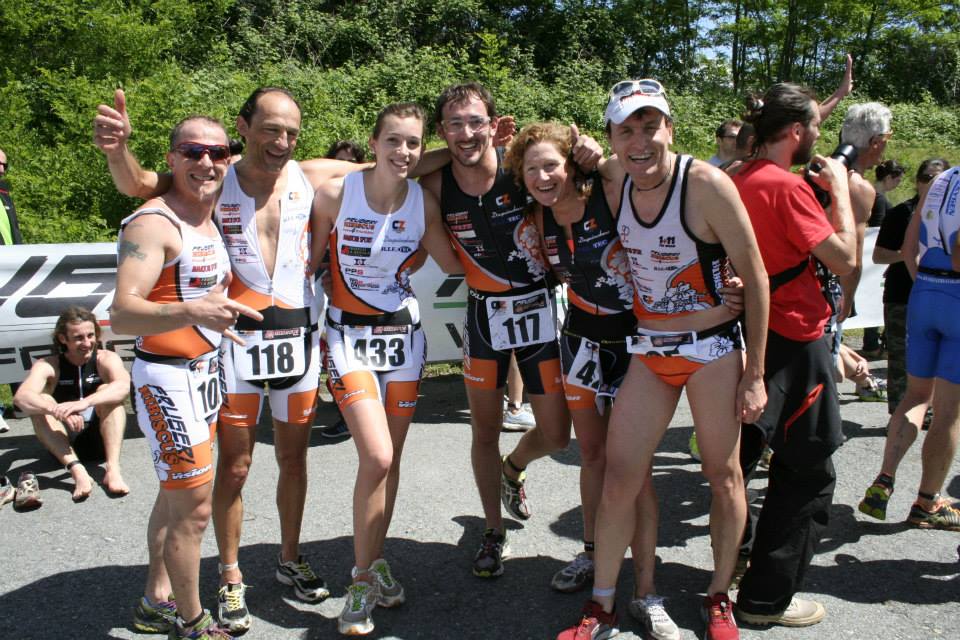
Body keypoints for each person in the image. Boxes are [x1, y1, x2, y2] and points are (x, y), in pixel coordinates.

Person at [94, 87, 371, 633]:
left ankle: (288, 558)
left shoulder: (308, 174)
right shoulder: (212, 181)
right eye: (270, 129)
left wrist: (476, 147)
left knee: (294, 460)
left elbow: (393, 162)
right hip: (235, 346)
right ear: (244, 128)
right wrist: (117, 150)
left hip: (295, 340)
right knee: (233, 468)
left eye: (291, 132)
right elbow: (139, 184)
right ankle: (229, 574)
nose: (281, 141)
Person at [559, 79, 770, 640]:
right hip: (650, 348)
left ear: (670, 130)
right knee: (619, 478)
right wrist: (582, 153)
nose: (640, 142)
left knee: (722, 475)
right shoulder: (614, 177)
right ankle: (603, 604)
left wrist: (754, 374)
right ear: (612, 138)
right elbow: (572, 169)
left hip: (712, 348)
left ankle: (719, 596)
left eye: (651, 127)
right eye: (626, 130)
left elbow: (756, 277)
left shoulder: (706, 184)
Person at [505, 121, 680, 639]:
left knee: (637, 471)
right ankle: (591, 552)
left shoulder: (607, 191)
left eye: (551, 165)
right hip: (580, 341)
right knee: (594, 456)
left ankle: (646, 590)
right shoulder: (537, 216)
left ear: (571, 164)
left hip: (634, 346)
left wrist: (598, 156)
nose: (543, 176)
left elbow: (636, 168)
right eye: (532, 168)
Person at [419, 82, 601, 578]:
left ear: (494, 124)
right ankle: (492, 531)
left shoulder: (518, 172)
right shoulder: (435, 183)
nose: (466, 133)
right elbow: (395, 166)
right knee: (483, 431)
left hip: (538, 308)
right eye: (455, 124)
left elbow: (574, 180)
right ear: (441, 131)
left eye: (476, 122)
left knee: (557, 436)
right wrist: (452, 148)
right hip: (483, 315)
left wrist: (590, 153)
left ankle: (513, 467)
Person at [311, 101, 463, 636]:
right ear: (373, 143)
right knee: (375, 455)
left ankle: (375, 563)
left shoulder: (423, 203)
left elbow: (452, 262)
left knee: (389, 461)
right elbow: (306, 263)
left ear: (423, 150)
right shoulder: (336, 194)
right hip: (347, 338)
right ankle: (360, 579)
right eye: (393, 140)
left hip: (403, 339)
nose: (403, 151)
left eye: (413, 143)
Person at [109, 114, 261, 639]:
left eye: (218, 152)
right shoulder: (154, 224)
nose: (206, 162)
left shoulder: (209, 209)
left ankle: (155, 601)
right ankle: (193, 623)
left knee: (174, 497)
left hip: (204, 375)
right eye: (193, 152)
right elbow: (122, 314)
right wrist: (194, 311)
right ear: (172, 158)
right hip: (167, 381)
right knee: (194, 510)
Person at [731, 82, 857, 628]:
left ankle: (733, 563)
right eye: (816, 128)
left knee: (733, 465)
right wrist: (841, 193)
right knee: (807, 473)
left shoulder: (734, 177)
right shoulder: (788, 187)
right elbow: (845, 258)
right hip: (795, 340)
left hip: (739, 337)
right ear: (797, 132)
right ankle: (764, 600)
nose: (819, 138)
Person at [857, 166, 960, 531]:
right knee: (947, 412)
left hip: (925, 291)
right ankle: (927, 502)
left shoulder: (941, 180)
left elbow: (910, 246)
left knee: (916, 395)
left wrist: (925, 285)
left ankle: (885, 476)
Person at [14, 306, 131, 500]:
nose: (87, 343)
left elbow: (123, 386)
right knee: (42, 400)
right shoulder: (49, 364)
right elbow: (21, 397)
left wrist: (84, 403)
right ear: (63, 338)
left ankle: (113, 470)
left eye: (90, 335)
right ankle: (78, 472)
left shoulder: (106, 358)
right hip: (63, 445)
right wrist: (56, 410)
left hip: (101, 440)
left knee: (108, 392)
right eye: (78, 338)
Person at [870, 159, 950, 414]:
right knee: (900, 358)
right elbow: (878, 255)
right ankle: (898, 414)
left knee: (938, 357)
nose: (931, 183)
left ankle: (929, 411)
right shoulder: (900, 214)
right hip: (902, 296)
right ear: (917, 181)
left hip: (941, 296)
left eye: (938, 179)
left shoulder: (951, 215)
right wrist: (906, 254)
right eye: (926, 178)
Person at [0, 146, 24, 434]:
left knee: (13, 335)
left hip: (10, 275)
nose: (1, 169)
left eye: (4, 165)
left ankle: (21, 401)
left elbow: (14, 233)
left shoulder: (4, 195)